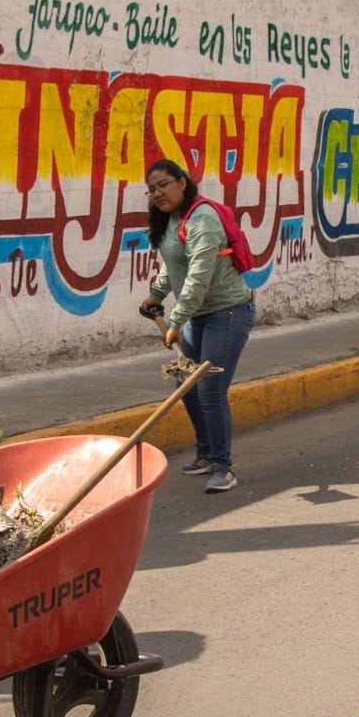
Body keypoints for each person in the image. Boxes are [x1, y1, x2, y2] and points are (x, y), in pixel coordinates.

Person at [138, 159, 255, 494]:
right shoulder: (172, 219)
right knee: (185, 384)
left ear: (182, 182)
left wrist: (175, 321)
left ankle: (223, 466)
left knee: (211, 390)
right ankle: (205, 454)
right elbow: (174, 263)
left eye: (163, 185)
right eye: (152, 189)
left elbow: (199, 274)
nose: (157, 193)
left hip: (228, 312)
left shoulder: (203, 218)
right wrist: (156, 294)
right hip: (201, 315)